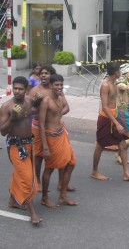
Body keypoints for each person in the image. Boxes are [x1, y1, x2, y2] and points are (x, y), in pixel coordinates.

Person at [0, 76, 43, 225]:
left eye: (20, 89)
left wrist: (37, 100)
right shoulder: (6, 106)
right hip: (16, 146)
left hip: (29, 144)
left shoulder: (28, 101)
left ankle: (13, 200)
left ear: (26, 90)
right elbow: (2, 132)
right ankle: (32, 212)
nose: (17, 91)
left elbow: (33, 110)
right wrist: (12, 118)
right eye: (15, 88)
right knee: (27, 178)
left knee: (19, 174)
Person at [91, 61, 129, 181]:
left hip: (114, 116)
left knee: (122, 144)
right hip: (106, 119)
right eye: (119, 70)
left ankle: (126, 173)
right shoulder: (106, 85)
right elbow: (105, 107)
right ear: (115, 72)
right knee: (100, 145)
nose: (121, 72)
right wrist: (117, 123)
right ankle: (94, 171)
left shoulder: (114, 82)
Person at [28, 65, 75, 192]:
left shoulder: (57, 89)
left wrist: (57, 115)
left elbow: (66, 107)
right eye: (41, 73)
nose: (43, 75)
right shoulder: (34, 91)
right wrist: (37, 103)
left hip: (56, 128)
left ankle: (61, 183)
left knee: (63, 156)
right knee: (39, 156)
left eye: (46, 73)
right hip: (38, 127)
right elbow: (28, 109)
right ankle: (37, 182)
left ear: (51, 76)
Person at [39, 74, 77, 208]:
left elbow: (65, 108)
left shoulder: (61, 97)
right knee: (50, 168)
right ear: (50, 86)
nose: (59, 87)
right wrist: (44, 147)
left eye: (61, 85)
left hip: (61, 134)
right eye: (56, 85)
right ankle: (44, 197)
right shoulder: (46, 101)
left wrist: (59, 115)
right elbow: (41, 125)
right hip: (51, 137)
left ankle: (62, 195)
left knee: (71, 163)